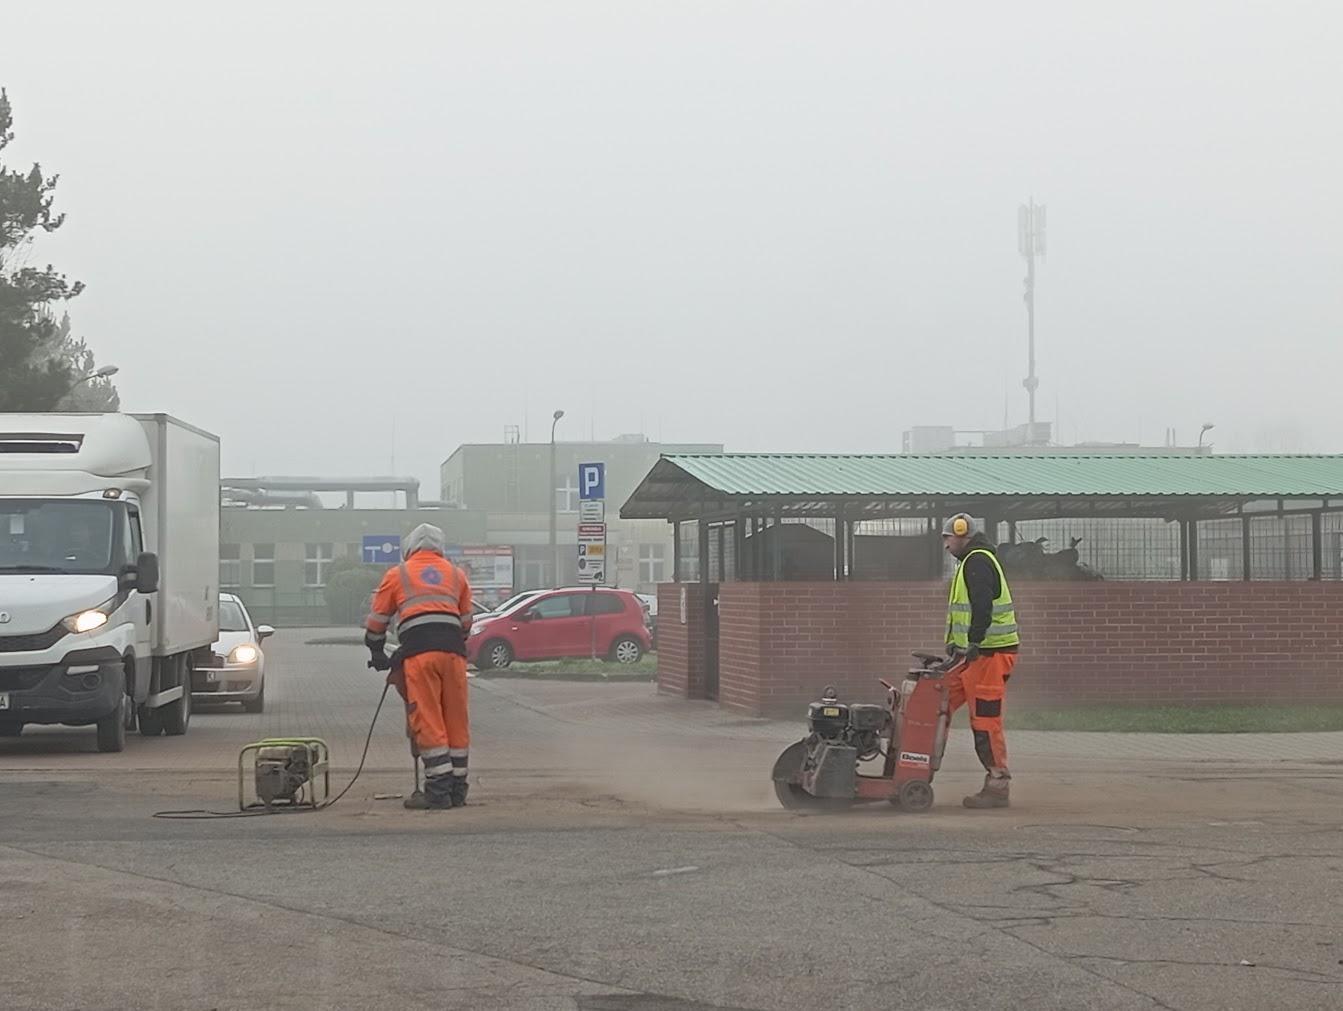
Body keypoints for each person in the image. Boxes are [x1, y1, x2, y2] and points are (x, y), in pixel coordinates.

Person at [365, 524, 474, 810]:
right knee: (456, 720)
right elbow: (465, 623)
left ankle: (437, 792)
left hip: (420, 655)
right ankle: (457, 790)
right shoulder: (456, 574)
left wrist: (377, 652)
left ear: (409, 548)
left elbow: (377, 622)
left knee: (427, 718)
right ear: (440, 547)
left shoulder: (397, 575)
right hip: (454, 656)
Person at [941, 513, 1020, 809]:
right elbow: (965, 611)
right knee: (937, 701)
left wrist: (973, 641)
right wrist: (956, 644)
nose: (946, 546)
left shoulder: (978, 562)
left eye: (948, 538)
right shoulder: (971, 563)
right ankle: (913, 768)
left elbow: (983, 607)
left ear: (963, 534)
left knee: (986, 720)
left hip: (990, 655)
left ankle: (998, 784)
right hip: (973, 655)